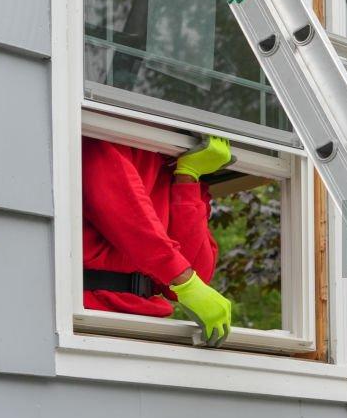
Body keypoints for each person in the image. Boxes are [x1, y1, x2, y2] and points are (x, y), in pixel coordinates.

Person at [81, 134, 234, 346]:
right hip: (90, 314)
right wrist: (184, 280)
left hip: (147, 321)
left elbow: (193, 275)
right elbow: (120, 209)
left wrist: (188, 177)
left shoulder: (171, 161)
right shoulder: (114, 128)